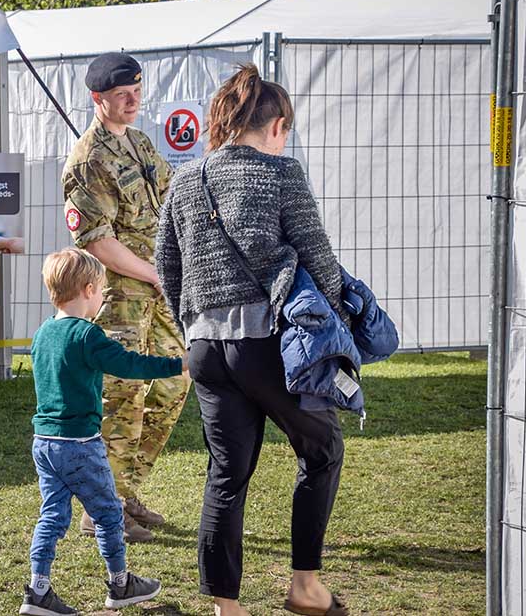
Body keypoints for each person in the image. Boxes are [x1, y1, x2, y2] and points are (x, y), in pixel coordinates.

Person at [154, 64, 350, 616]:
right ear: (278, 124)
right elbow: (318, 259)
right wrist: (336, 330)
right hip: (267, 344)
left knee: (227, 475)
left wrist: (192, 330)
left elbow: (166, 265)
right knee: (322, 448)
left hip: (206, 346)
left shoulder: (186, 179)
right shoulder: (282, 174)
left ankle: (227, 609)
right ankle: (306, 587)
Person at [61, 52, 188, 543]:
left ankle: (126, 490)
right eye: (122, 95)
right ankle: (101, 508)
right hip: (119, 300)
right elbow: (96, 241)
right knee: (122, 398)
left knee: (176, 382)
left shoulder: (138, 143)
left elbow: (169, 202)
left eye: (137, 90)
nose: (134, 101)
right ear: (98, 99)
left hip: (158, 293)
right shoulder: (88, 160)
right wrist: (156, 273)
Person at [22, 247, 182, 616]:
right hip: (80, 444)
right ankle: (120, 583)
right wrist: (180, 364)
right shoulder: (86, 335)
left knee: (53, 516)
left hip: (44, 442)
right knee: (108, 514)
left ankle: (37, 590)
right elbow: (129, 364)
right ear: (89, 288)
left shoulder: (43, 332)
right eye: (103, 291)